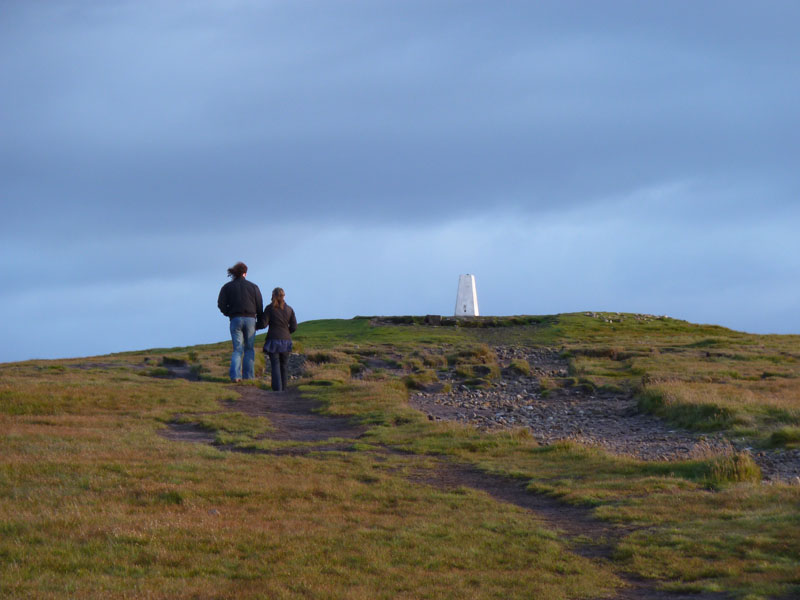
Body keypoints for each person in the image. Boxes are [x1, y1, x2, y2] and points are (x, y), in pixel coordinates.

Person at [217, 262, 264, 382]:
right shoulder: (254, 287)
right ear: (245, 273)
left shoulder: (227, 287)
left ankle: (236, 376)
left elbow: (221, 304)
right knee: (249, 349)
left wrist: (229, 313)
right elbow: (259, 305)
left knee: (237, 349)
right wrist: (259, 322)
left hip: (235, 319)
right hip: (250, 320)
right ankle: (248, 377)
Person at [261, 287, 297, 391]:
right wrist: (286, 332)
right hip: (286, 341)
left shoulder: (269, 308)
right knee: (284, 365)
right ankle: (284, 389)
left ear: (273, 295)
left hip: (273, 340)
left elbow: (264, 324)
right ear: (284, 296)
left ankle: (277, 390)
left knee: (275, 364)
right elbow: (294, 327)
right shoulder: (289, 309)